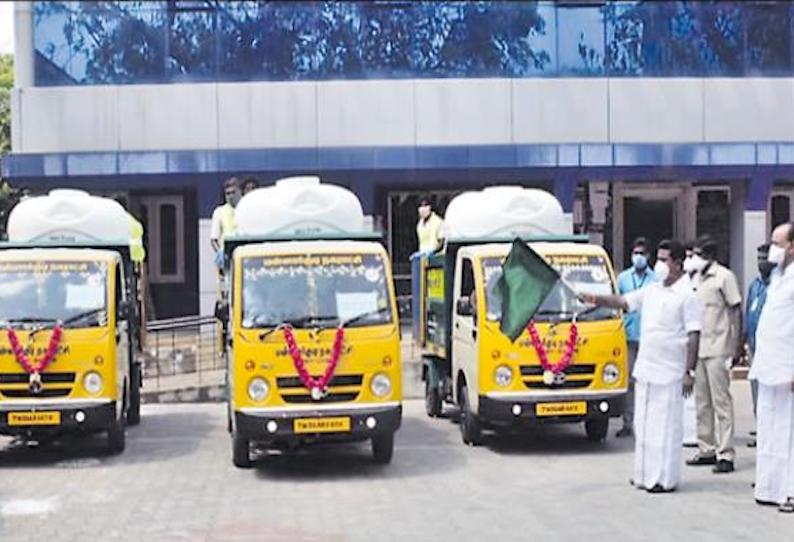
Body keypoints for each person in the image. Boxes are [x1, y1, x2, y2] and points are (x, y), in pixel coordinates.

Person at [581, 240, 702, 493]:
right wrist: (595, 298)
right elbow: (624, 301)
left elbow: (693, 335)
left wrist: (689, 372)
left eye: (664, 259)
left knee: (665, 426)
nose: (658, 264)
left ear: (678, 264)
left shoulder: (687, 295)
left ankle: (663, 478)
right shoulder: (652, 290)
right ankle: (643, 474)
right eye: (657, 258)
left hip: (670, 371)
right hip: (647, 367)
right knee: (644, 425)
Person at [686, 235, 742, 474]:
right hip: (698, 348)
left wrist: (738, 343)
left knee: (721, 402)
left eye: (697, 254)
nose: (693, 258)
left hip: (718, 346)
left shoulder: (724, 277)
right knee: (701, 402)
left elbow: (735, 310)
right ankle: (706, 447)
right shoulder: (694, 278)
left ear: (709, 256)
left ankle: (726, 453)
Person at [750, 222, 794, 513]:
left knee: (789, 432)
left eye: (778, 244)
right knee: (769, 428)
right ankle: (770, 486)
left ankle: (790, 490)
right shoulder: (777, 277)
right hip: (767, 364)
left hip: (788, 367)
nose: (773, 249)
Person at [615, 237, 656, 438]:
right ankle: (628, 423)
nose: (638, 257)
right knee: (629, 381)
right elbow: (617, 303)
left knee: (648, 381)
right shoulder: (622, 278)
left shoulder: (655, 279)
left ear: (648, 256)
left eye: (642, 254)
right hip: (628, 336)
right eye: (635, 253)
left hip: (649, 336)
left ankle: (648, 422)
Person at [744, 244, 774, 448]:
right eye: (758, 258)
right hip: (755, 346)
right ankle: (762, 430)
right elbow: (748, 312)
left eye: (765, 258)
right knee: (756, 392)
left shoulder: (780, 285)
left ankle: (772, 433)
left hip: (773, 349)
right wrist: (745, 342)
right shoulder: (754, 285)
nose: (761, 262)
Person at [211, 177, 242, 268]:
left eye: (233, 192)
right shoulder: (219, 212)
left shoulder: (247, 209)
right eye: (228, 194)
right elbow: (214, 239)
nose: (231, 196)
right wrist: (220, 252)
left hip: (245, 255)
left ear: (240, 192)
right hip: (227, 257)